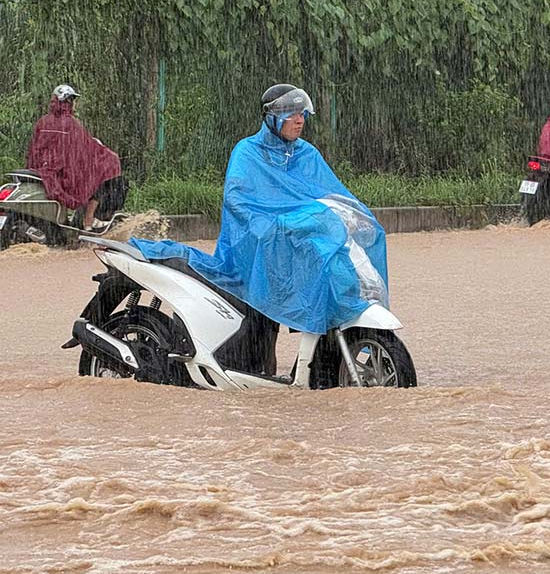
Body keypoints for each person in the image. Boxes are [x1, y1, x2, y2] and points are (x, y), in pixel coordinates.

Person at [130, 83, 389, 374]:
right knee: (260, 320)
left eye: (302, 113)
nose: (300, 120)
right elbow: (237, 201)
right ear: (272, 118)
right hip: (255, 245)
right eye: (291, 114)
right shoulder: (248, 152)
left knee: (334, 264)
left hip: (294, 243)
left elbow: (331, 196)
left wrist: (353, 216)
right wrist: (268, 226)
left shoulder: (306, 154)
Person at [26, 84, 123, 230]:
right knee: (104, 171)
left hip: (43, 171)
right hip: (64, 175)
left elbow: (35, 150)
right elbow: (87, 149)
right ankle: (88, 219)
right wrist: (107, 155)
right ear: (69, 102)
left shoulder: (43, 121)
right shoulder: (72, 124)